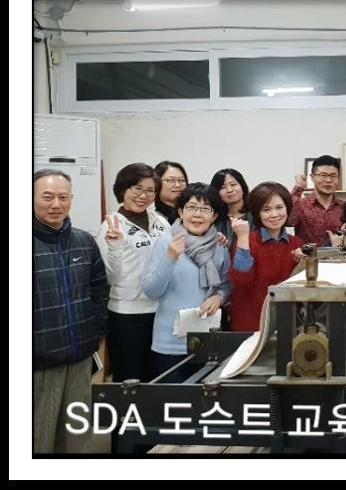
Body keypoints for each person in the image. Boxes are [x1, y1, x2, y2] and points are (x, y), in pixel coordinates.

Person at [34, 169, 109, 453]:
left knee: (75, 435)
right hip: (39, 362)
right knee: (38, 438)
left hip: (80, 357)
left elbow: (98, 291)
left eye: (63, 197)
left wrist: (97, 336)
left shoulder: (84, 241)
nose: (56, 204)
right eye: (47, 197)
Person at [143, 183, 231, 381]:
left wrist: (219, 297)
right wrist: (170, 257)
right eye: (191, 207)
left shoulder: (219, 245)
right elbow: (151, 291)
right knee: (173, 398)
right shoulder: (166, 242)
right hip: (170, 343)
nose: (197, 214)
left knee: (206, 397)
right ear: (181, 212)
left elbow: (226, 284)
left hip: (208, 339)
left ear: (214, 216)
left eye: (205, 209)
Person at [95, 163, 170, 382]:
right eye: (137, 188)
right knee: (130, 381)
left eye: (150, 190)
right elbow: (111, 278)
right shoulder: (111, 225)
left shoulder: (160, 221)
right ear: (123, 189)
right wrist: (116, 247)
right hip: (127, 316)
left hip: (160, 312)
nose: (143, 196)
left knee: (158, 378)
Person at [229, 182, 303, 332]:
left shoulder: (297, 244)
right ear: (257, 213)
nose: (274, 214)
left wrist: (304, 263)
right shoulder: (247, 241)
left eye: (279, 207)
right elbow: (241, 282)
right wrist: (242, 238)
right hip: (251, 325)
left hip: (287, 325)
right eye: (266, 209)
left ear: (287, 208)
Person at [288, 154, 344, 245]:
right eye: (323, 175)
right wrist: (298, 188)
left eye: (333, 176)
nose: (328, 180)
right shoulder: (300, 205)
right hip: (306, 254)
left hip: (336, 254)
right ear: (312, 177)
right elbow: (288, 221)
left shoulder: (344, 207)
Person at [210, 168, 251, 248]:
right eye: (223, 187)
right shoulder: (214, 219)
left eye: (233, 185)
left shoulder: (257, 215)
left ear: (242, 186)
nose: (229, 190)